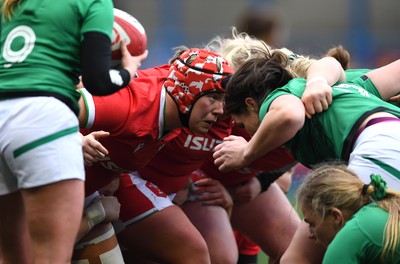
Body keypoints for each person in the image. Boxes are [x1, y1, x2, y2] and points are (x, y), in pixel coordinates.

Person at [0, 0, 146, 263]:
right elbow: (98, 81)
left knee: (11, 255)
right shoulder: (92, 2)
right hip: (42, 118)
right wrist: (128, 71)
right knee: (51, 255)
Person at [77, 47, 234, 264]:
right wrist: (73, 139)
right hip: (47, 189)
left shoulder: (176, 98)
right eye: (214, 97)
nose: (220, 110)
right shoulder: (130, 104)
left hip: (88, 192)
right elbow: (50, 106)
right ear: (186, 92)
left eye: (223, 100)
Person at [213, 55, 400, 188]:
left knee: (325, 216)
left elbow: (290, 116)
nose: (246, 132)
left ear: (251, 104)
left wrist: (246, 153)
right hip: (386, 138)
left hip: (377, 143)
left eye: (242, 124)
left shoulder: (279, 97)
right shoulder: (341, 89)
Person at [297, 164, 400, 263]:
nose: (310, 234)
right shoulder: (380, 212)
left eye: (312, 224)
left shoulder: (350, 235)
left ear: (336, 217)